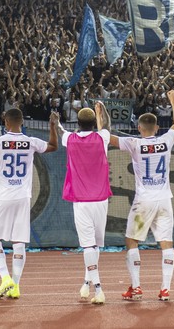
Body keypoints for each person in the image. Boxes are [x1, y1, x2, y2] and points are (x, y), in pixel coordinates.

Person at [0, 108, 59, 299]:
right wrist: (52, 125)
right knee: (18, 241)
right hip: (23, 197)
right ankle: (15, 286)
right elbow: (53, 146)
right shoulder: (30, 142)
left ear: (5, 122)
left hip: (2, 197)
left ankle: (5, 278)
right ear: (22, 122)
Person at [106, 90, 174, 302]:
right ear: (157, 128)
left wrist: (101, 119)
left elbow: (109, 138)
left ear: (139, 128)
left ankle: (137, 287)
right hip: (165, 199)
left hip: (144, 200)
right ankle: (165, 289)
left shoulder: (135, 143)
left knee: (131, 241)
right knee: (166, 243)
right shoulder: (166, 141)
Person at [54, 104, 112, 305]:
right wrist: (100, 112)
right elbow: (106, 126)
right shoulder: (102, 137)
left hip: (81, 201)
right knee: (94, 246)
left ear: (77, 124)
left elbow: (60, 130)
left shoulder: (69, 138)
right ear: (93, 123)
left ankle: (98, 288)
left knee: (89, 246)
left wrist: (57, 121)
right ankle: (87, 283)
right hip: (101, 199)